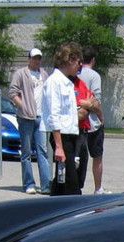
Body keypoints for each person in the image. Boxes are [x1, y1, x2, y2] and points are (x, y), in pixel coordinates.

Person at [41, 42, 82, 196]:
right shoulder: (54, 82)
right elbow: (54, 115)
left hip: (70, 135)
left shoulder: (67, 82)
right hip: (61, 137)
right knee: (71, 183)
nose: (79, 65)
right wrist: (58, 146)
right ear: (69, 59)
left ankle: (55, 203)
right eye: (78, 61)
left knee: (62, 179)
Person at [9, 47, 51, 195]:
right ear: (29, 59)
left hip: (41, 118)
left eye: (39, 58)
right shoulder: (21, 73)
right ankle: (29, 183)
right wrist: (23, 106)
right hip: (25, 118)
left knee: (43, 152)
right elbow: (12, 92)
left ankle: (46, 185)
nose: (37, 60)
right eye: (34, 58)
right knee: (26, 152)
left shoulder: (44, 74)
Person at [78, 46, 107, 194]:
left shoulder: (75, 74)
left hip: (78, 121)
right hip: (93, 123)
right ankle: (98, 188)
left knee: (79, 157)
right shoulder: (94, 76)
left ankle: (77, 186)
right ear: (93, 60)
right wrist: (101, 115)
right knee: (97, 156)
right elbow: (96, 100)